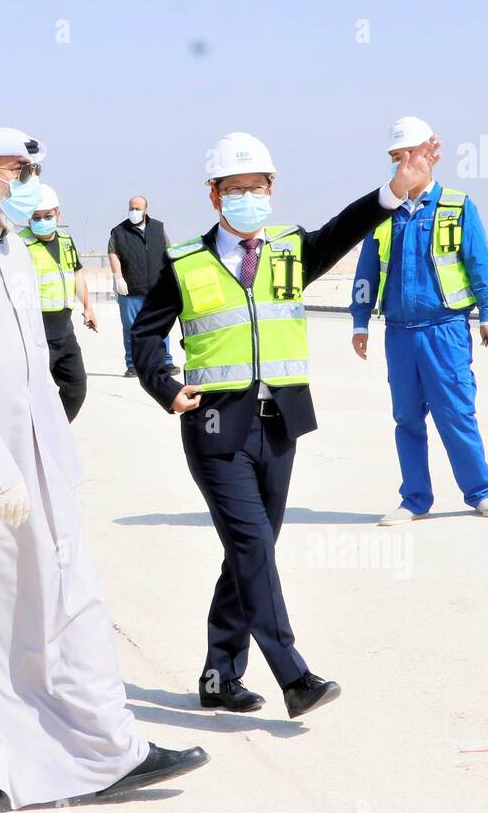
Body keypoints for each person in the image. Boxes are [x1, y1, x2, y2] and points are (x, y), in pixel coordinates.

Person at [0, 127, 207, 806]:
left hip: (26, 465)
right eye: (15, 170)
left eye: (32, 171)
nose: (27, 184)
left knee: (65, 596)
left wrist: (45, 458)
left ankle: (104, 744)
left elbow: (32, 368)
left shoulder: (7, 250)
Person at [131, 130, 439, 719]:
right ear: (215, 196)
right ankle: (293, 676)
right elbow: (145, 334)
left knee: (252, 551)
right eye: (235, 188)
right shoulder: (185, 262)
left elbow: (344, 229)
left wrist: (392, 193)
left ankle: (219, 676)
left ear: (271, 190)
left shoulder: (290, 251)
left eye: (257, 186)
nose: (248, 197)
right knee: (253, 547)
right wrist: (167, 388)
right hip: (215, 426)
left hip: (279, 426)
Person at [350, 116, 488, 524]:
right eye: (395, 157)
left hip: (445, 330)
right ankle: (415, 499)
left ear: (429, 155)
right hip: (399, 334)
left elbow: (478, 264)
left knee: (456, 414)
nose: (403, 163)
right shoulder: (383, 213)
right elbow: (366, 271)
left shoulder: (457, 206)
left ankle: (480, 492)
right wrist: (360, 321)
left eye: (410, 154)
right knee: (406, 419)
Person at [18, 184, 97, 422]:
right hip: (35, 331)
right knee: (32, 394)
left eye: (47, 216)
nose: (43, 221)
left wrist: (88, 307)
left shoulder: (65, 239)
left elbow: (77, 273)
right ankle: (31, 441)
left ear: (58, 214)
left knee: (76, 387)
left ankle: (55, 432)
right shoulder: (19, 244)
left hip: (65, 330)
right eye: (37, 217)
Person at [108, 196, 178, 377]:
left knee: (160, 326)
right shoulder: (119, 231)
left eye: (137, 208)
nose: (134, 211)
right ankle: (133, 365)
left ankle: (165, 362)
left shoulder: (158, 228)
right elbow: (113, 253)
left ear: (146, 209)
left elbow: (169, 251)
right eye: (131, 208)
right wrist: (118, 277)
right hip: (131, 289)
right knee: (131, 328)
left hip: (157, 288)